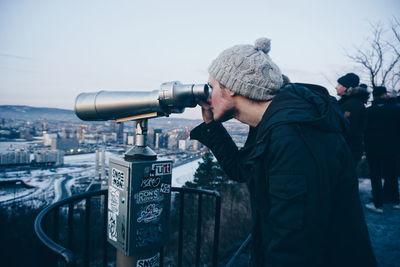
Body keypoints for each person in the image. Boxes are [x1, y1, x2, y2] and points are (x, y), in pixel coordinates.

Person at [190, 38, 376, 266]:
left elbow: (294, 241)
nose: (207, 96)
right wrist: (211, 125)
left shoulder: (294, 137)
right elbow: (243, 170)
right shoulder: (271, 124)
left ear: (230, 88)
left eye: (212, 86)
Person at [364, 86, 400, 213]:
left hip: (373, 147)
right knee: (392, 173)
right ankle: (395, 200)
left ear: (374, 96)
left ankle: (377, 203)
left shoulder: (369, 111)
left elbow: (364, 130)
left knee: (376, 174)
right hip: (393, 147)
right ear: (385, 95)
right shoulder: (396, 109)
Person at [336, 73, 369, 164]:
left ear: (346, 87)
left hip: (348, 149)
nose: (336, 87)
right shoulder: (348, 103)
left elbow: (348, 127)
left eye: (339, 84)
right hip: (347, 147)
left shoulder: (352, 105)